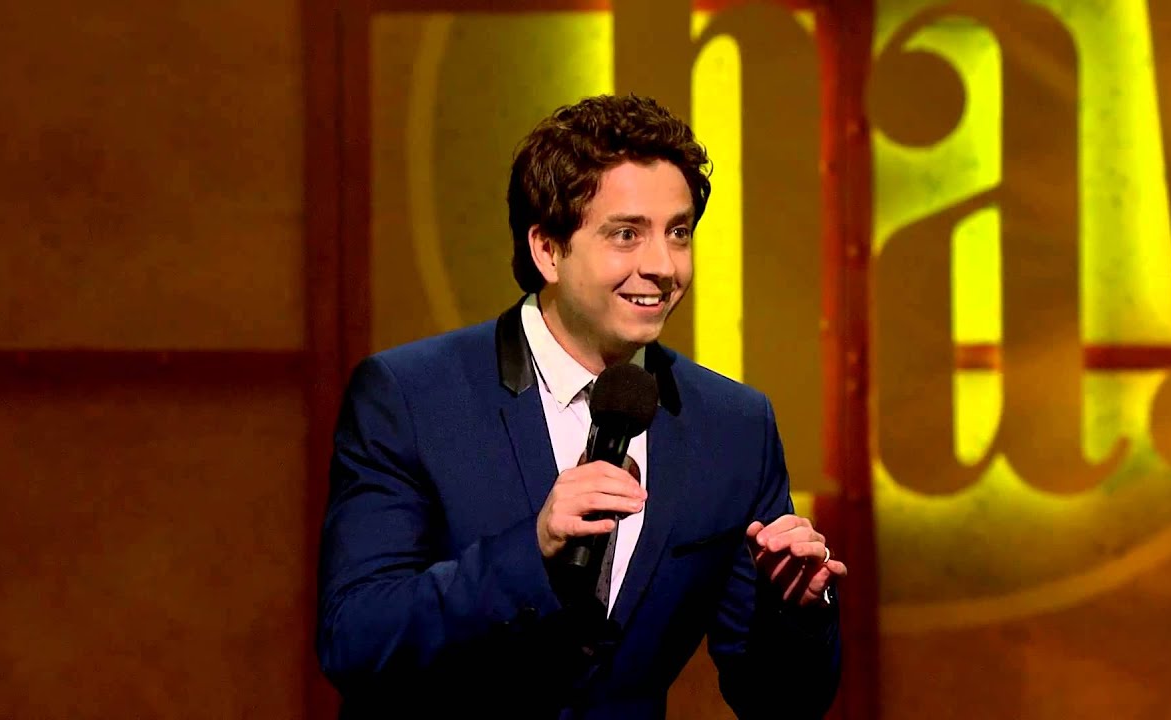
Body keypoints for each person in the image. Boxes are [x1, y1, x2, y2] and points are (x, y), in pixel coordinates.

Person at [316, 94, 846, 719]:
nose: (662, 266)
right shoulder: (411, 397)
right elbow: (356, 639)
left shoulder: (732, 427)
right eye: (627, 234)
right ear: (547, 250)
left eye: (678, 233)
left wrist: (796, 611)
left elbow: (779, 702)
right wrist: (531, 549)